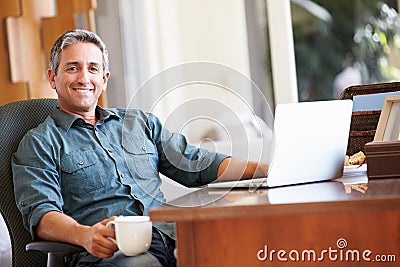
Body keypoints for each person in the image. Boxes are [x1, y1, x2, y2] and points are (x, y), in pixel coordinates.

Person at [12, 29, 268, 267]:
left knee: (242, 249)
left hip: (170, 237)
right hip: (109, 253)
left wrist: (269, 170)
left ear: (104, 79)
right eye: (72, 68)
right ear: (53, 77)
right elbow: (42, 213)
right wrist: (85, 235)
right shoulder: (39, 143)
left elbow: (195, 162)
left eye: (93, 68)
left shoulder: (139, 123)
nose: (84, 78)